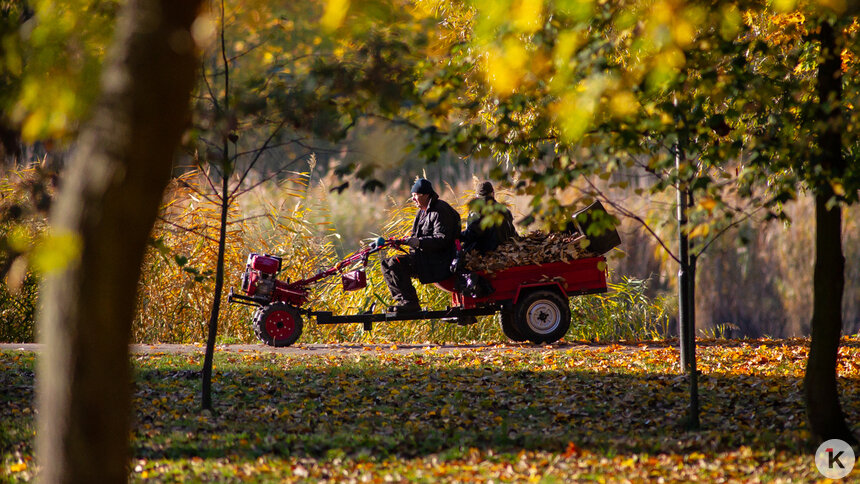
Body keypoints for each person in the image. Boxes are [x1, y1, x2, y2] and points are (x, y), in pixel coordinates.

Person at [381, 178, 461, 313]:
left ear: (425, 195)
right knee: (386, 263)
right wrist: (402, 243)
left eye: (415, 195)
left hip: (440, 261)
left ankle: (411, 303)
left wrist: (419, 242)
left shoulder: (440, 210)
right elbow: (416, 237)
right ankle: (403, 300)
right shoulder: (421, 213)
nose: (413, 199)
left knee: (396, 262)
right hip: (425, 257)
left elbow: (442, 239)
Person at [460, 180, 518, 254]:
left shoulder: (477, 212)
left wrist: (457, 236)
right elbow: (512, 233)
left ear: (477, 197)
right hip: (507, 252)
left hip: (488, 255)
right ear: (493, 194)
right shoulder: (505, 210)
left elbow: (472, 234)